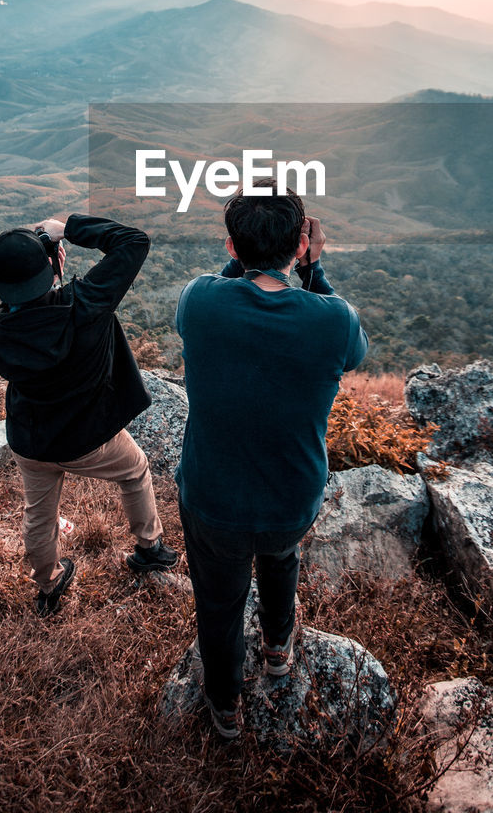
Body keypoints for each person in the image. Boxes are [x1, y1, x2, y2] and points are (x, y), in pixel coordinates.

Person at [175, 183, 368, 737]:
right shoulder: (332, 320)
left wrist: (250, 257)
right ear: (302, 244)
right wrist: (312, 268)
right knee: (282, 558)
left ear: (231, 246)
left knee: (218, 602)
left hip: (213, 498)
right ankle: (278, 647)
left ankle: (225, 708)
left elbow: (225, 283)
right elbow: (352, 350)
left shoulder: (200, 300)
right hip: (292, 499)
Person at [0, 213, 177, 617]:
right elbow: (133, 241)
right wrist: (66, 226)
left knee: (39, 512)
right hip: (87, 438)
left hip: (30, 439)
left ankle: (48, 585)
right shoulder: (85, 304)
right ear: (56, 263)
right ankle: (148, 548)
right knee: (135, 469)